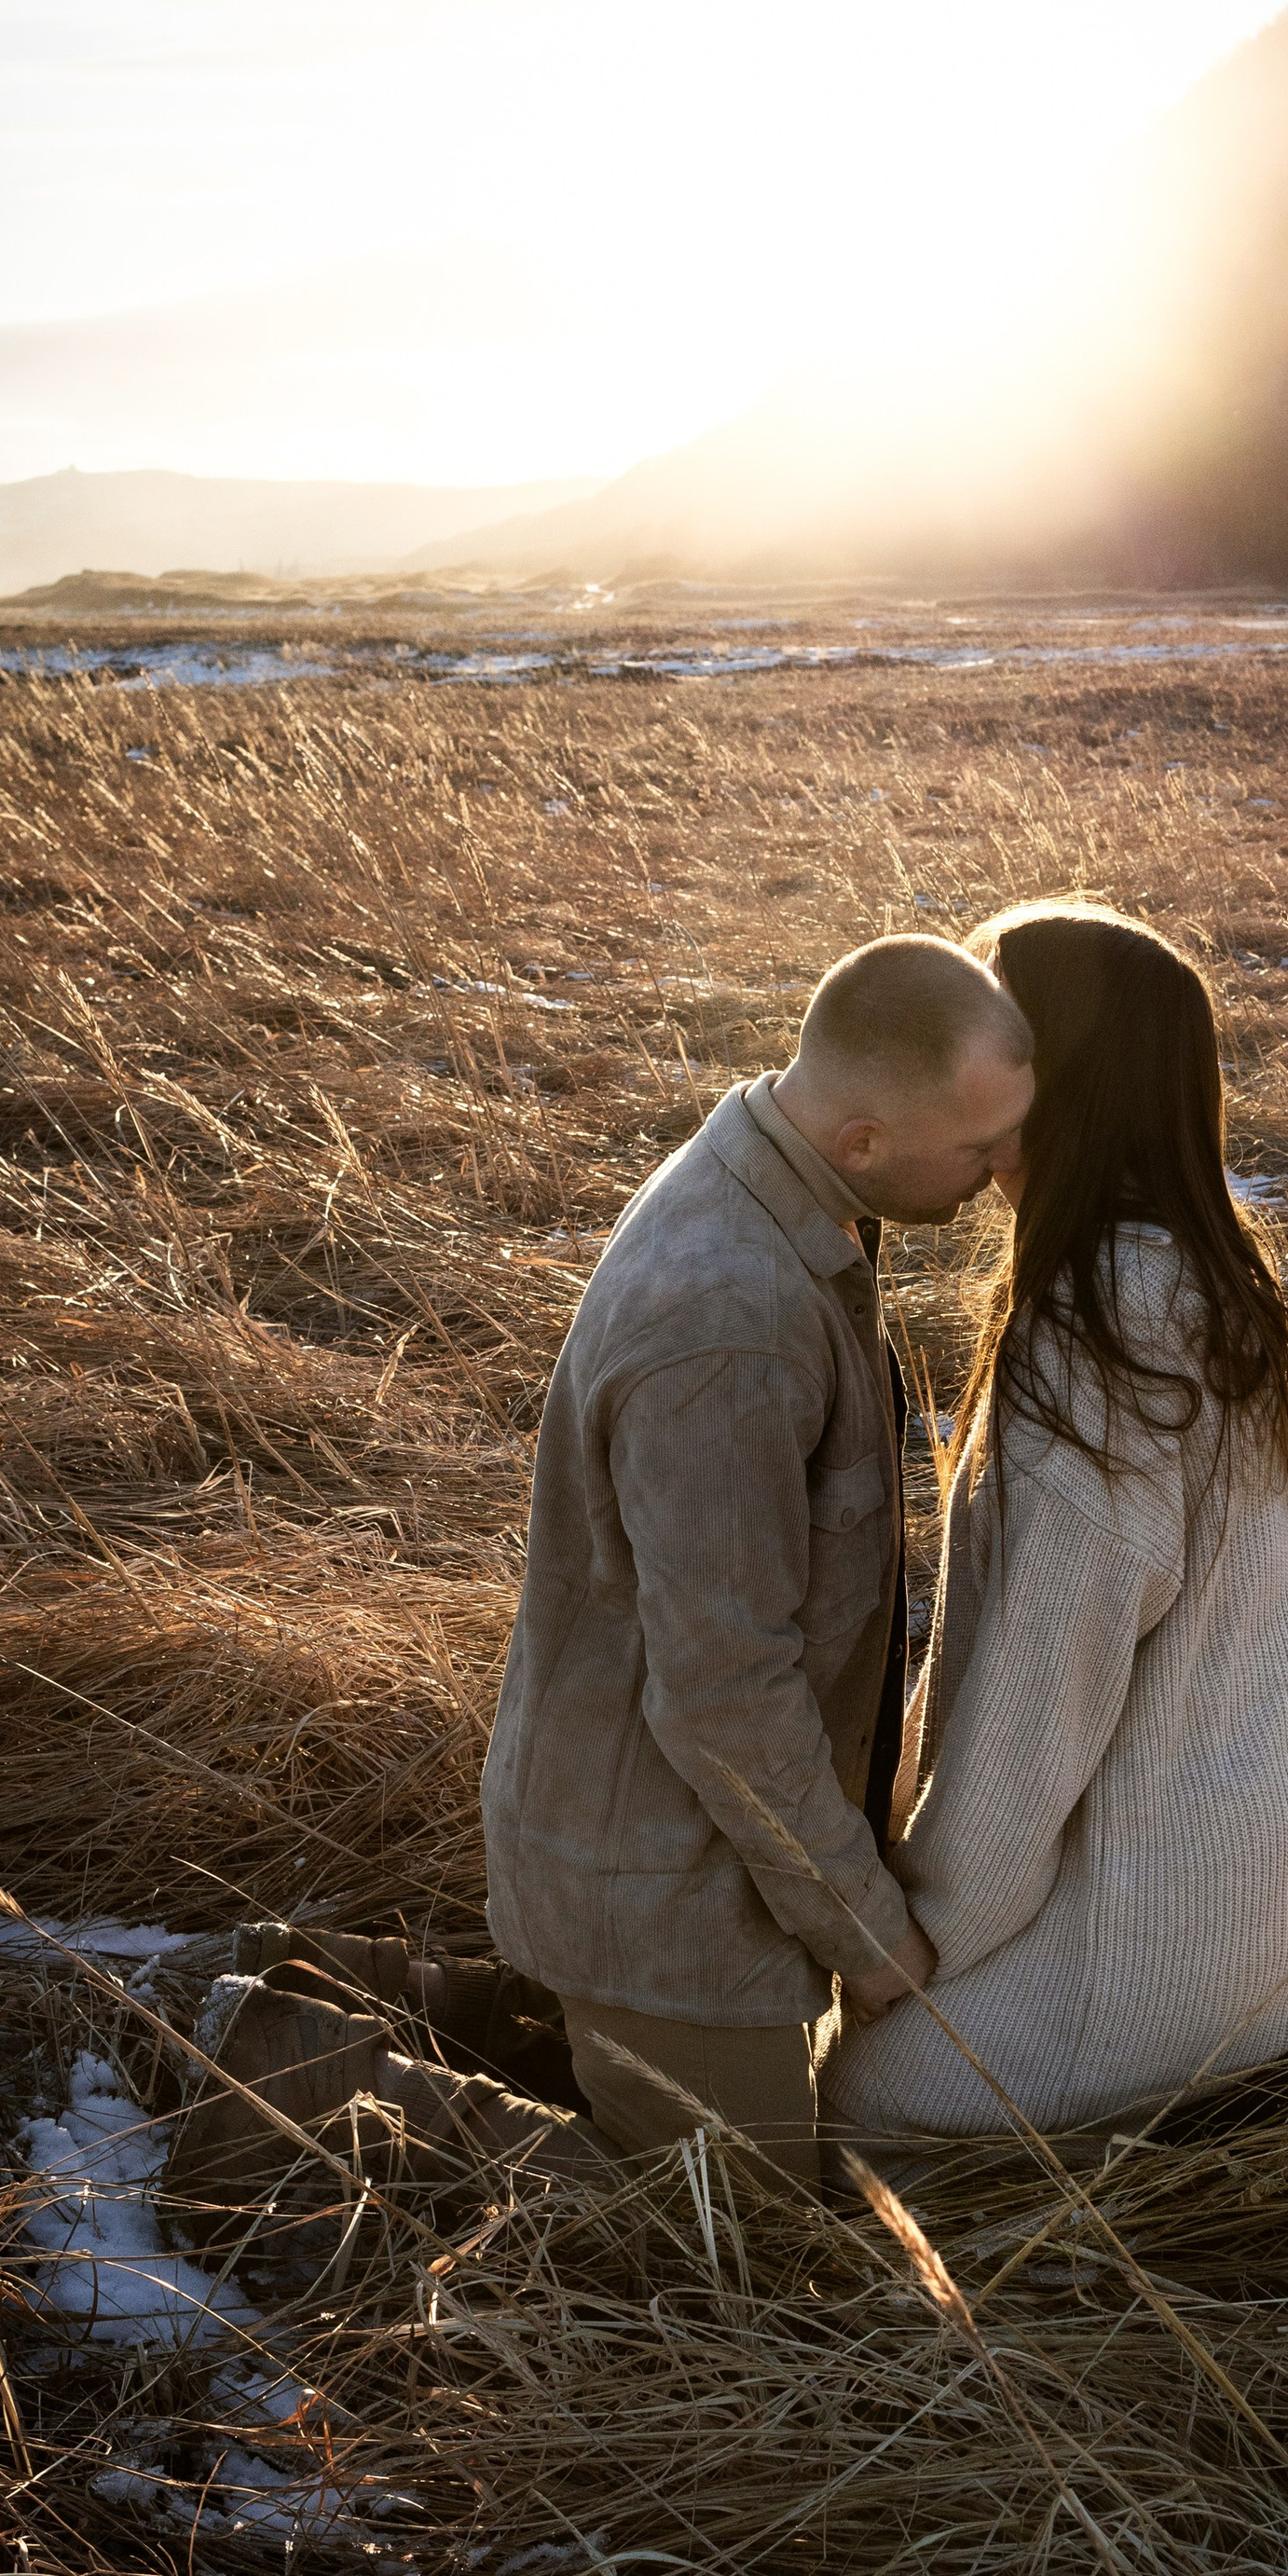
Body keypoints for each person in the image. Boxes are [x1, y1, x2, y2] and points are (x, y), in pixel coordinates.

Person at [478, 936, 1035, 2191]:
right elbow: (725, 1690)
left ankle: (459, 2017)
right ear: (863, 1142)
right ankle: (276, 2060)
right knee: (731, 2245)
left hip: (686, 1859)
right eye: (977, 1148)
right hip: (660, 1898)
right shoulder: (730, 1326)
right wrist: (865, 1932)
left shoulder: (776, 1184)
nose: (999, 1176)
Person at [820, 900, 1288, 2157]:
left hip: (1166, 1954)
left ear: (1061, 1080)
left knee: (824, 2106)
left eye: (994, 1035)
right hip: (1277, 1913)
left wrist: (903, 1948)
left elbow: (1033, 1709)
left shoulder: (1101, 1335)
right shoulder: (1202, 1280)